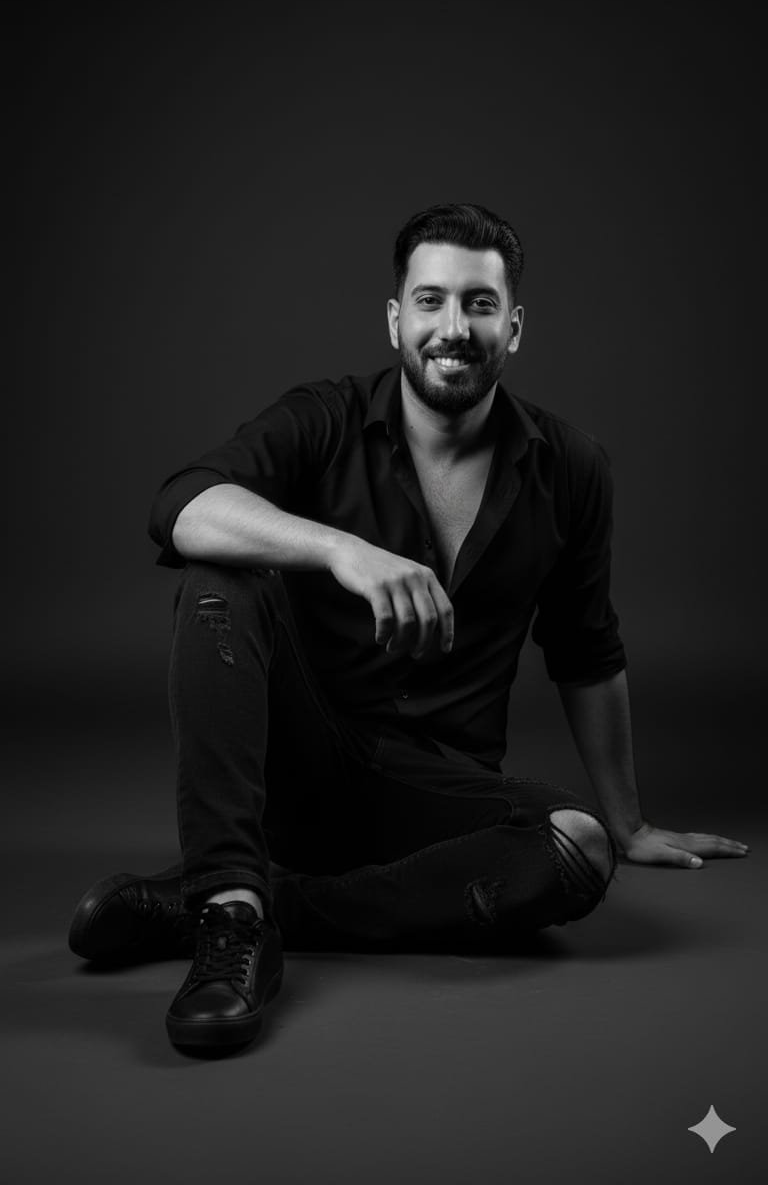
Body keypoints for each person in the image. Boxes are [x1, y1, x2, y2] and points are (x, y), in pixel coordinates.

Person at [68, 202, 749, 1054]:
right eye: (430, 301)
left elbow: (585, 647)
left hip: (436, 797)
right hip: (297, 766)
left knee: (577, 849)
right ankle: (231, 912)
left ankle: (228, 905)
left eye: (479, 304)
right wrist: (342, 551)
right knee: (218, 571)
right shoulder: (324, 418)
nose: (453, 327)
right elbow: (181, 506)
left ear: (514, 327)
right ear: (396, 320)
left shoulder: (572, 467)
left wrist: (629, 823)